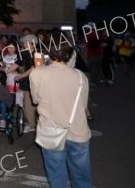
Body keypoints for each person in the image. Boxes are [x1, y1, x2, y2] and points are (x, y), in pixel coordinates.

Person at [30, 47, 91, 188]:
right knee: (82, 176)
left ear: (48, 53)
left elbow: (35, 100)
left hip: (52, 130)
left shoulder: (37, 73)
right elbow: (83, 104)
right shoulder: (80, 75)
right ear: (70, 55)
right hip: (77, 130)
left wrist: (39, 69)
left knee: (57, 175)